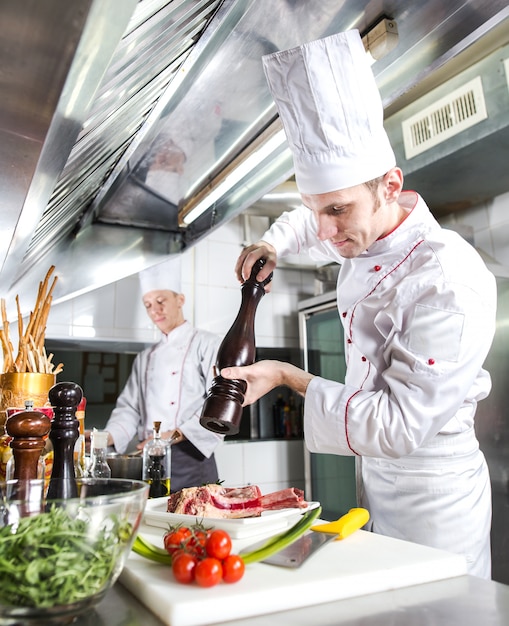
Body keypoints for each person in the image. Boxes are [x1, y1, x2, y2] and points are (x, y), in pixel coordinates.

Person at [221, 30, 497, 578]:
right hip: (374, 477)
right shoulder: (357, 222)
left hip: (434, 495)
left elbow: (396, 427)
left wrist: (285, 376)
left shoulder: (447, 281)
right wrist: (272, 242)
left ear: (390, 185)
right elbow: (314, 214)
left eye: (339, 211)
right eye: (315, 209)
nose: (325, 232)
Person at [104, 256, 223, 492]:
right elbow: (130, 408)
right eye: (148, 304)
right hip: (150, 457)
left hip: (190, 455)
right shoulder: (145, 357)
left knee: (195, 525)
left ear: (180, 299)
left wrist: (172, 435)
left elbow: (220, 402)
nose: (154, 310)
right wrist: (105, 437)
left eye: (160, 301)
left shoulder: (208, 344)